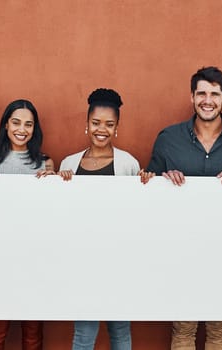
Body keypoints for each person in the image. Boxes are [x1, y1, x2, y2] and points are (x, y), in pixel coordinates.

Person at [143, 67, 222, 350]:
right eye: (202, 93)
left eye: (215, 94)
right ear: (192, 97)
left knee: (220, 332)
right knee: (183, 330)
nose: (208, 100)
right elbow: (149, 188)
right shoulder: (168, 138)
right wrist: (161, 179)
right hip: (180, 249)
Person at [58, 88, 140, 350]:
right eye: (95, 123)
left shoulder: (128, 164)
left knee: (120, 330)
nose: (101, 129)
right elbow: (61, 212)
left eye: (108, 124)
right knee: (84, 333)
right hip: (83, 261)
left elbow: (137, 213)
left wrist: (145, 182)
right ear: (86, 124)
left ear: (116, 127)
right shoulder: (69, 163)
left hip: (119, 260)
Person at [0, 99, 53, 350]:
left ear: (35, 129)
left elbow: (52, 209)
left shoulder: (46, 162)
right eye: (16, 122)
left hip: (35, 258)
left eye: (28, 124)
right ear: (6, 125)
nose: (22, 129)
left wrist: (52, 182)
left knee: (32, 332)